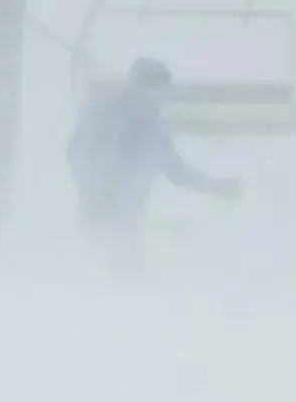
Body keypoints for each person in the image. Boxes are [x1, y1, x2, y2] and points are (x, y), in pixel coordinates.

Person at [67, 57, 243, 270]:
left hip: (129, 219)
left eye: (161, 92)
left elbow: (178, 172)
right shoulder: (104, 116)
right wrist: (97, 191)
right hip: (97, 212)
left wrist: (217, 186)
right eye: (152, 90)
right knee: (92, 270)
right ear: (135, 85)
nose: (156, 98)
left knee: (125, 276)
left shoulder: (155, 131)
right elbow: (78, 154)